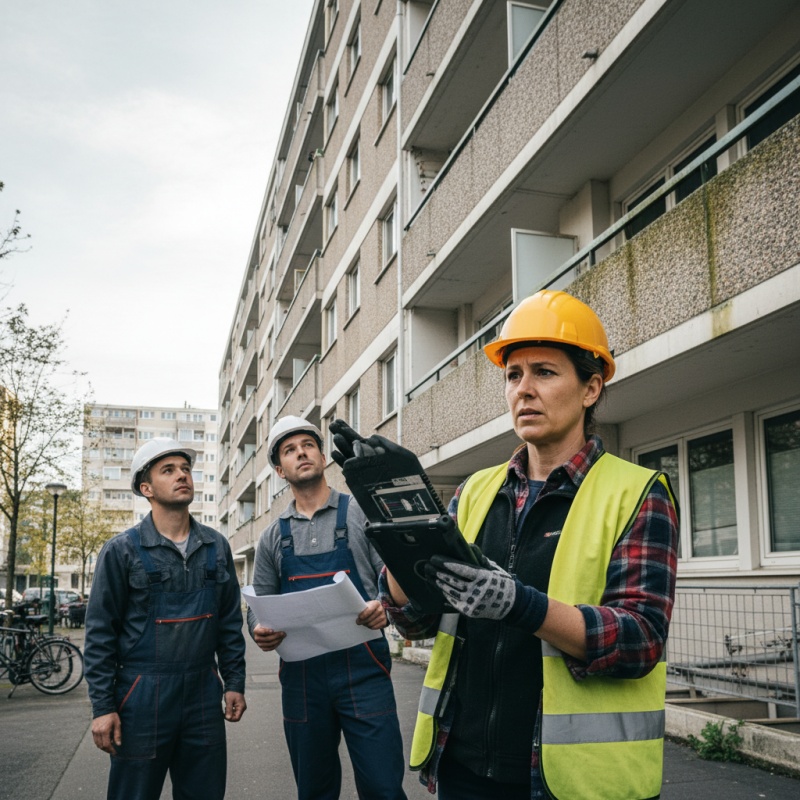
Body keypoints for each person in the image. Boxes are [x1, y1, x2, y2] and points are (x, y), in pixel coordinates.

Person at [335, 290, 679, 800]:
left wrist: (522, 605)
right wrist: (395, 524)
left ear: (591, 388)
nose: (524, 390)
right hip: (464, 767)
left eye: (544, 372)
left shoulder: (637, 492)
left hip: (574, 781)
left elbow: (640, 638)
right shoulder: (475, 491)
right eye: (513, 375)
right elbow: (414, 619)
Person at [249, 415, 407, 800]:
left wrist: (384, 607)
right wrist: (260, 630)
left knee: (384, 788)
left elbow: (393, 579)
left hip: (364, 671)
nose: (300, 453)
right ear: (279, 470)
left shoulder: (360, 514)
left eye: (307, 445)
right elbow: (258, 605)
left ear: (322, 456)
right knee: (314, 789)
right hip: (303, 682)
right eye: (289, 450)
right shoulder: (272, 536)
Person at [84, 438, 247, 800]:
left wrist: (235, 681)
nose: (182, 476)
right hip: (141, 695)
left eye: (186, 469)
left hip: (203, 695)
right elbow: (99, 635)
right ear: (146, 488)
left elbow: (229, 625)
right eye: (168, 470)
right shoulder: (121, 551)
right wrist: (102, 708)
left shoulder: (216, 547)